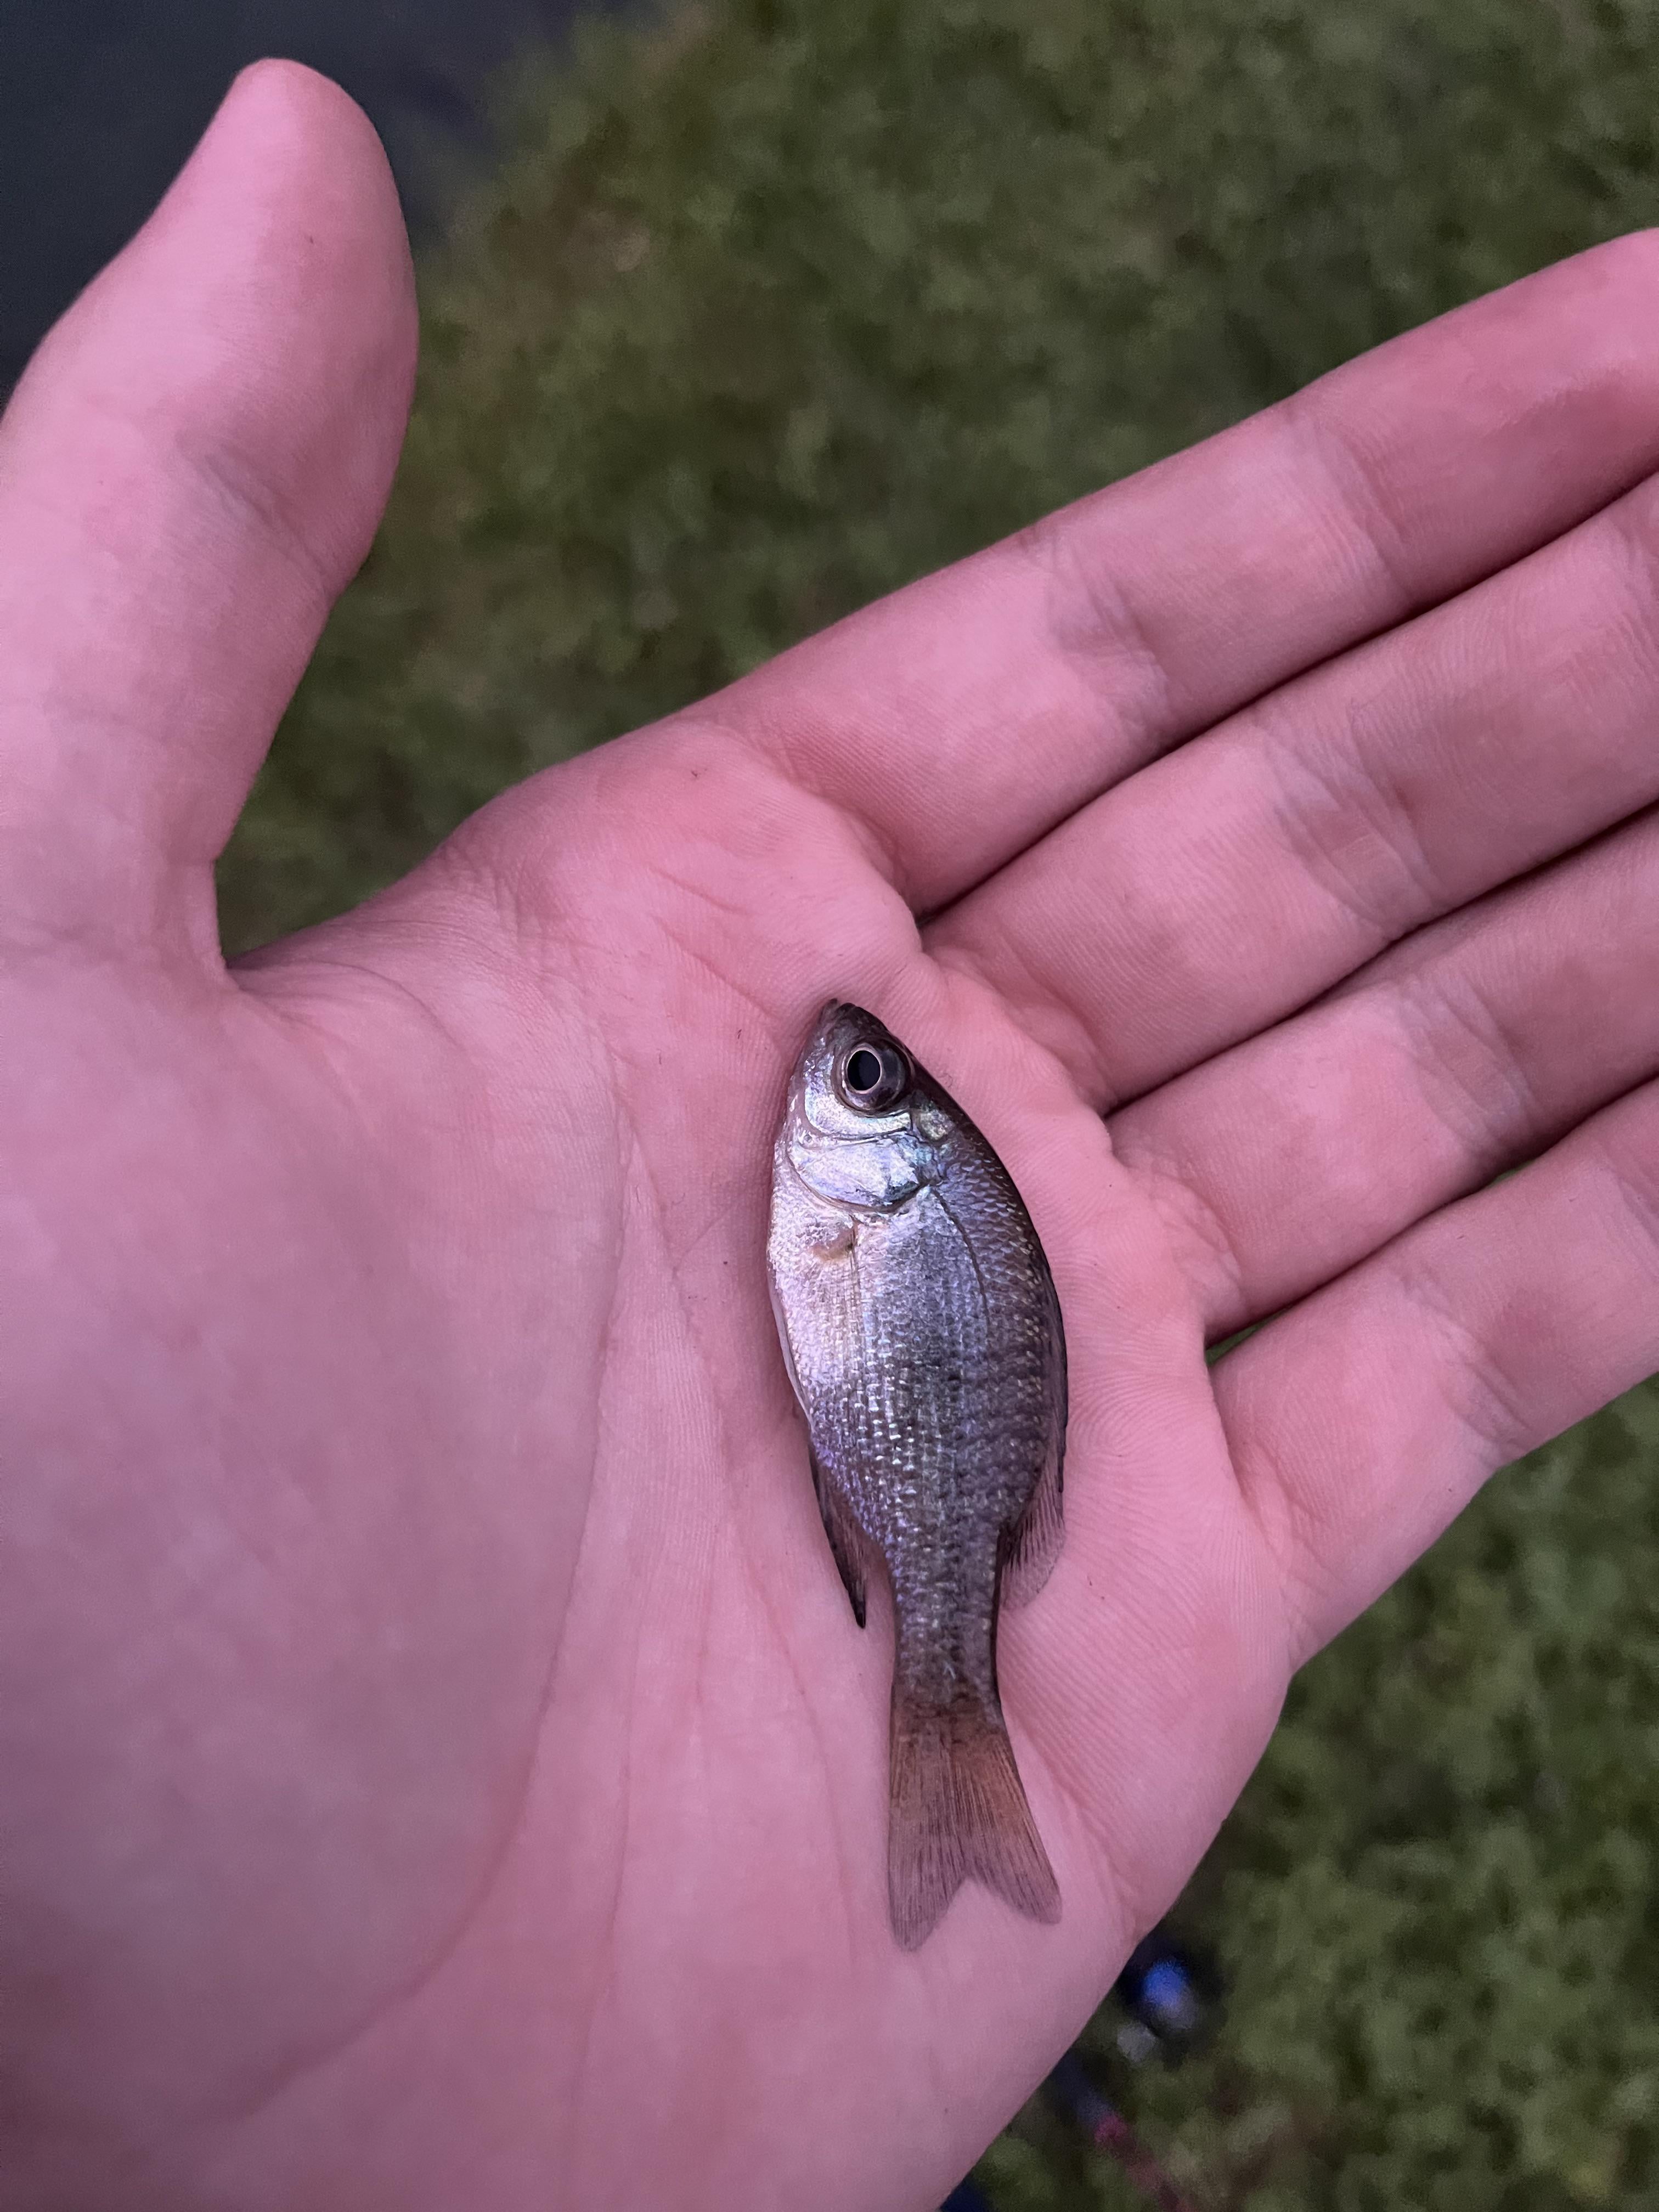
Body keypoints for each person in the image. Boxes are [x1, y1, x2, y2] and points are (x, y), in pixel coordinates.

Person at [4, 57, 1657, 2212]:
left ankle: (941, 1735)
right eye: (870, 1084)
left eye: (862, 1089)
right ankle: (946, 1754)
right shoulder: (856, 1201)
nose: (834, 1083)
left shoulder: (852, 1205)